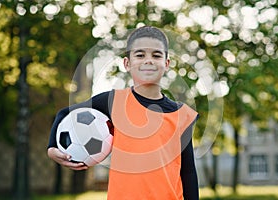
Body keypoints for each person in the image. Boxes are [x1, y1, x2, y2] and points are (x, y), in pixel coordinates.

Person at [47, 26, 199, 200]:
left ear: (166, 63)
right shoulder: (113, 102)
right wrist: (52, 148)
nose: (148, 60)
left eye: (156, 55)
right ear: (127, 63)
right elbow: (64, 113)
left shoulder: (182, 115)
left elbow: (188, 172)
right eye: (140, 55)